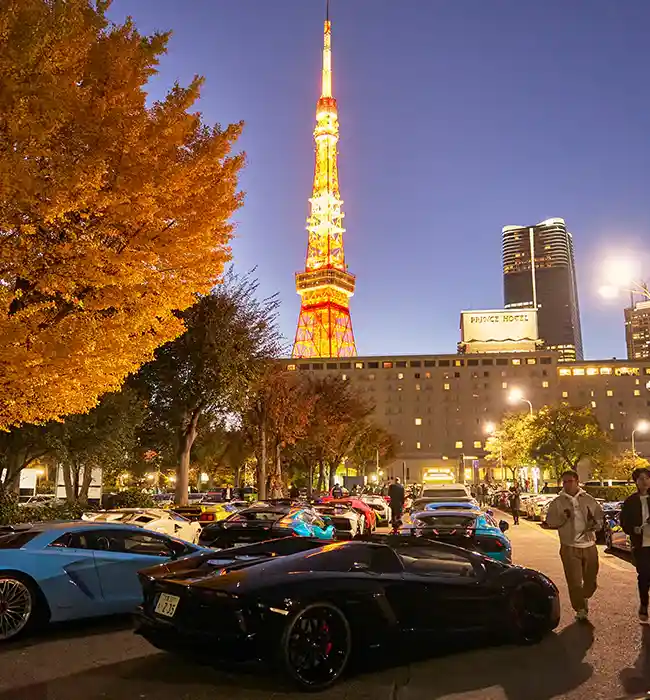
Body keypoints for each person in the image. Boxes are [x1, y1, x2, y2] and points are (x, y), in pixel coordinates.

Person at [545, 469, 603, 621]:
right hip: (569, 546)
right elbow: (550, 521)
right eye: (564, 482)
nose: (567, 485)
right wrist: (563, 518)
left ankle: (584, 596)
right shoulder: (558, 502)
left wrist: (596, 524)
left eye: (570, 481)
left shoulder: (588, 499)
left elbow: (599, 518)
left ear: (577, 482)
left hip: (589, 545)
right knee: (574, 581)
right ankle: (580, 608)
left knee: (591, 581)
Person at [620, 467, 650, 623]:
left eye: (647, 478)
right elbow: (624, 522)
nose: (644, 481)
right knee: (644, 576)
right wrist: (635, 529)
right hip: (641, 545)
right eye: (640, 479)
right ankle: (644, 604)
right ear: (636, 482)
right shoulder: (630, 501)